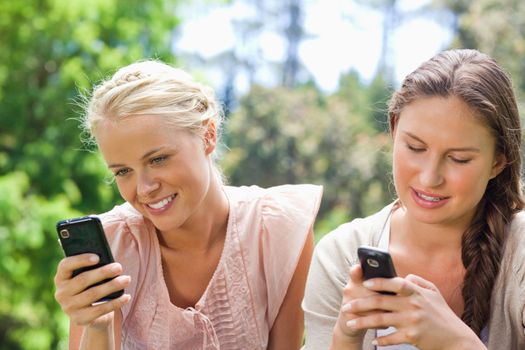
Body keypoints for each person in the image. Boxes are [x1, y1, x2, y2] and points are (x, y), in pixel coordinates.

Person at [53, 60, 322, 349]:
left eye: (157, 159)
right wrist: (96, 325)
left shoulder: (278, 229)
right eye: (122, 171)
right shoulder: (114, 246)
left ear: (208, 135)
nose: (144, 189)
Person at [302, 48, 525, 350]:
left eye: (458, 159)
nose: (429, 177)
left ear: (498, 162)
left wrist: (456, 342)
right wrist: (347, 336)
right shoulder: (340, 255)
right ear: (394, 129)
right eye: (415, 148)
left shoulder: (519, 256)